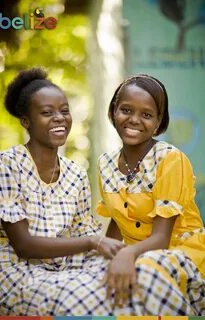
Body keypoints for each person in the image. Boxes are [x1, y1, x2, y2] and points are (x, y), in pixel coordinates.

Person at [0, 67, 127, 315]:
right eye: (46, 112)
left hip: (66, 268)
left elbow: (86, 234)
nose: (59, 118)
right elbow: (23, 245)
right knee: (83, 296)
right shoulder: (4, 164)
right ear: (26, 122)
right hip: (14, 271)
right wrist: (92, 242)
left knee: (134, 276)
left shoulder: (75, 173)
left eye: (64, 111)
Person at [96, 74, 205, 315]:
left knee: (143, 274)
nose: (134, 120)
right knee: (93, 276)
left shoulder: (170, 159)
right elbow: (118, 220)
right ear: (114, 111)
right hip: (135, 254)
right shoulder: (105, 164)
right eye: (126, 110)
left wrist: (126, 255)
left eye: (146, 115)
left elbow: (162, 240)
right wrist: (104, 256)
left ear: (157, 123)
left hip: (181, 252)